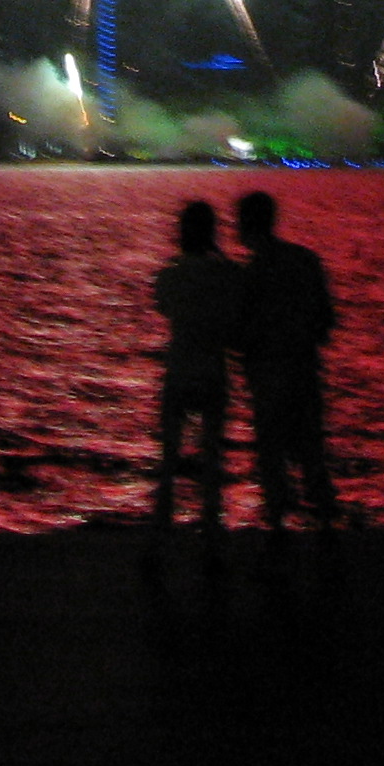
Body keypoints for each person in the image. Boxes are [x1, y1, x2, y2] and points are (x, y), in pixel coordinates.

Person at [229, 191, 339, 532]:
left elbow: (240, 330)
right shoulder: (306, 261)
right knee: (311, 449)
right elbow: (325, 319)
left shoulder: (250, 274)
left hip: (267, 374)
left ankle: (277, 525)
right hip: (304, 368)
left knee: (272, 452)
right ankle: (326, 524)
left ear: (246, 224)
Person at [151, 200, 241, 538]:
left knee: (169, 456)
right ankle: (212, 529)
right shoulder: (228, 275)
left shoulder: (170, 274)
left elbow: (163, 306)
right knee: (213, 454)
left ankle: (161, 530)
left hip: (180, 370)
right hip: (212, 370)